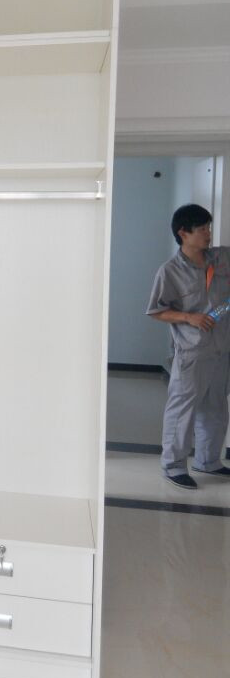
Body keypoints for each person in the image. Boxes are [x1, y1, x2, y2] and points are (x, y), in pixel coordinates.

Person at [147, 203, 230, 489]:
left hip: (221, 349)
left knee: (216, 406)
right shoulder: (170, 271)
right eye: (202, 229)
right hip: (192, 351)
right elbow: (157, 311)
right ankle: (173, 466)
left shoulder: (221, 258)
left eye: (209, 227)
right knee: (183, 409)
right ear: (183, 233)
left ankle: (208, 460)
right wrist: (188, 317)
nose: (208, 233)